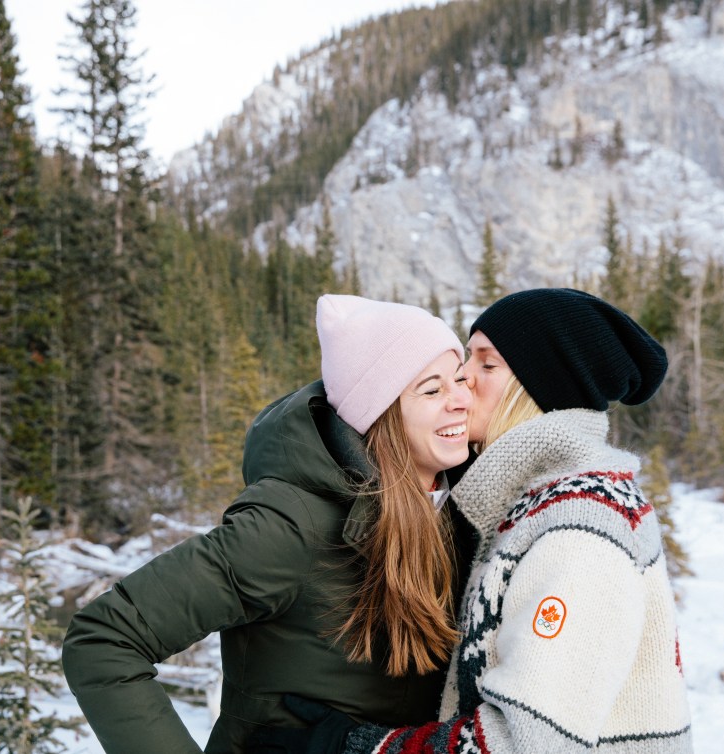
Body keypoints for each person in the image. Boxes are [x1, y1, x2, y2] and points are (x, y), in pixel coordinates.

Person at [260, 288, 693, 754]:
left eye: (487, 365)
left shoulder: (579, 528)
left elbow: (525, 742)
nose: (463, 377)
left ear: (541, 390)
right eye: (469, 357)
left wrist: (359, 747)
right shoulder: (533, 505)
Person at [62, 294, 478, 754]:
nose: (461, 401)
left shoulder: (469, 509)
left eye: (460, 378)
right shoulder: (290, 526)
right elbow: (105, 638)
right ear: (377, 413)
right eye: (432, 389)